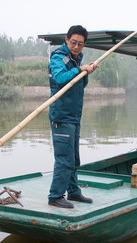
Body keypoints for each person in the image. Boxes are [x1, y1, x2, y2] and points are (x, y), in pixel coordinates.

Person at [47, 25, 98, 209]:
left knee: (74, 158)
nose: (76, 47)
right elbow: (60, 78)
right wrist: (80, 69)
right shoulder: (58, 58)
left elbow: (79, 85)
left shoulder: (77, 59)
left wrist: (86, 72)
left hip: (74, 117)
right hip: (61, 117)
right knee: (64, 159)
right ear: (67, 39)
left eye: (81, 44)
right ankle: (55, 196)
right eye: (74, 42)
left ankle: (74, 192)